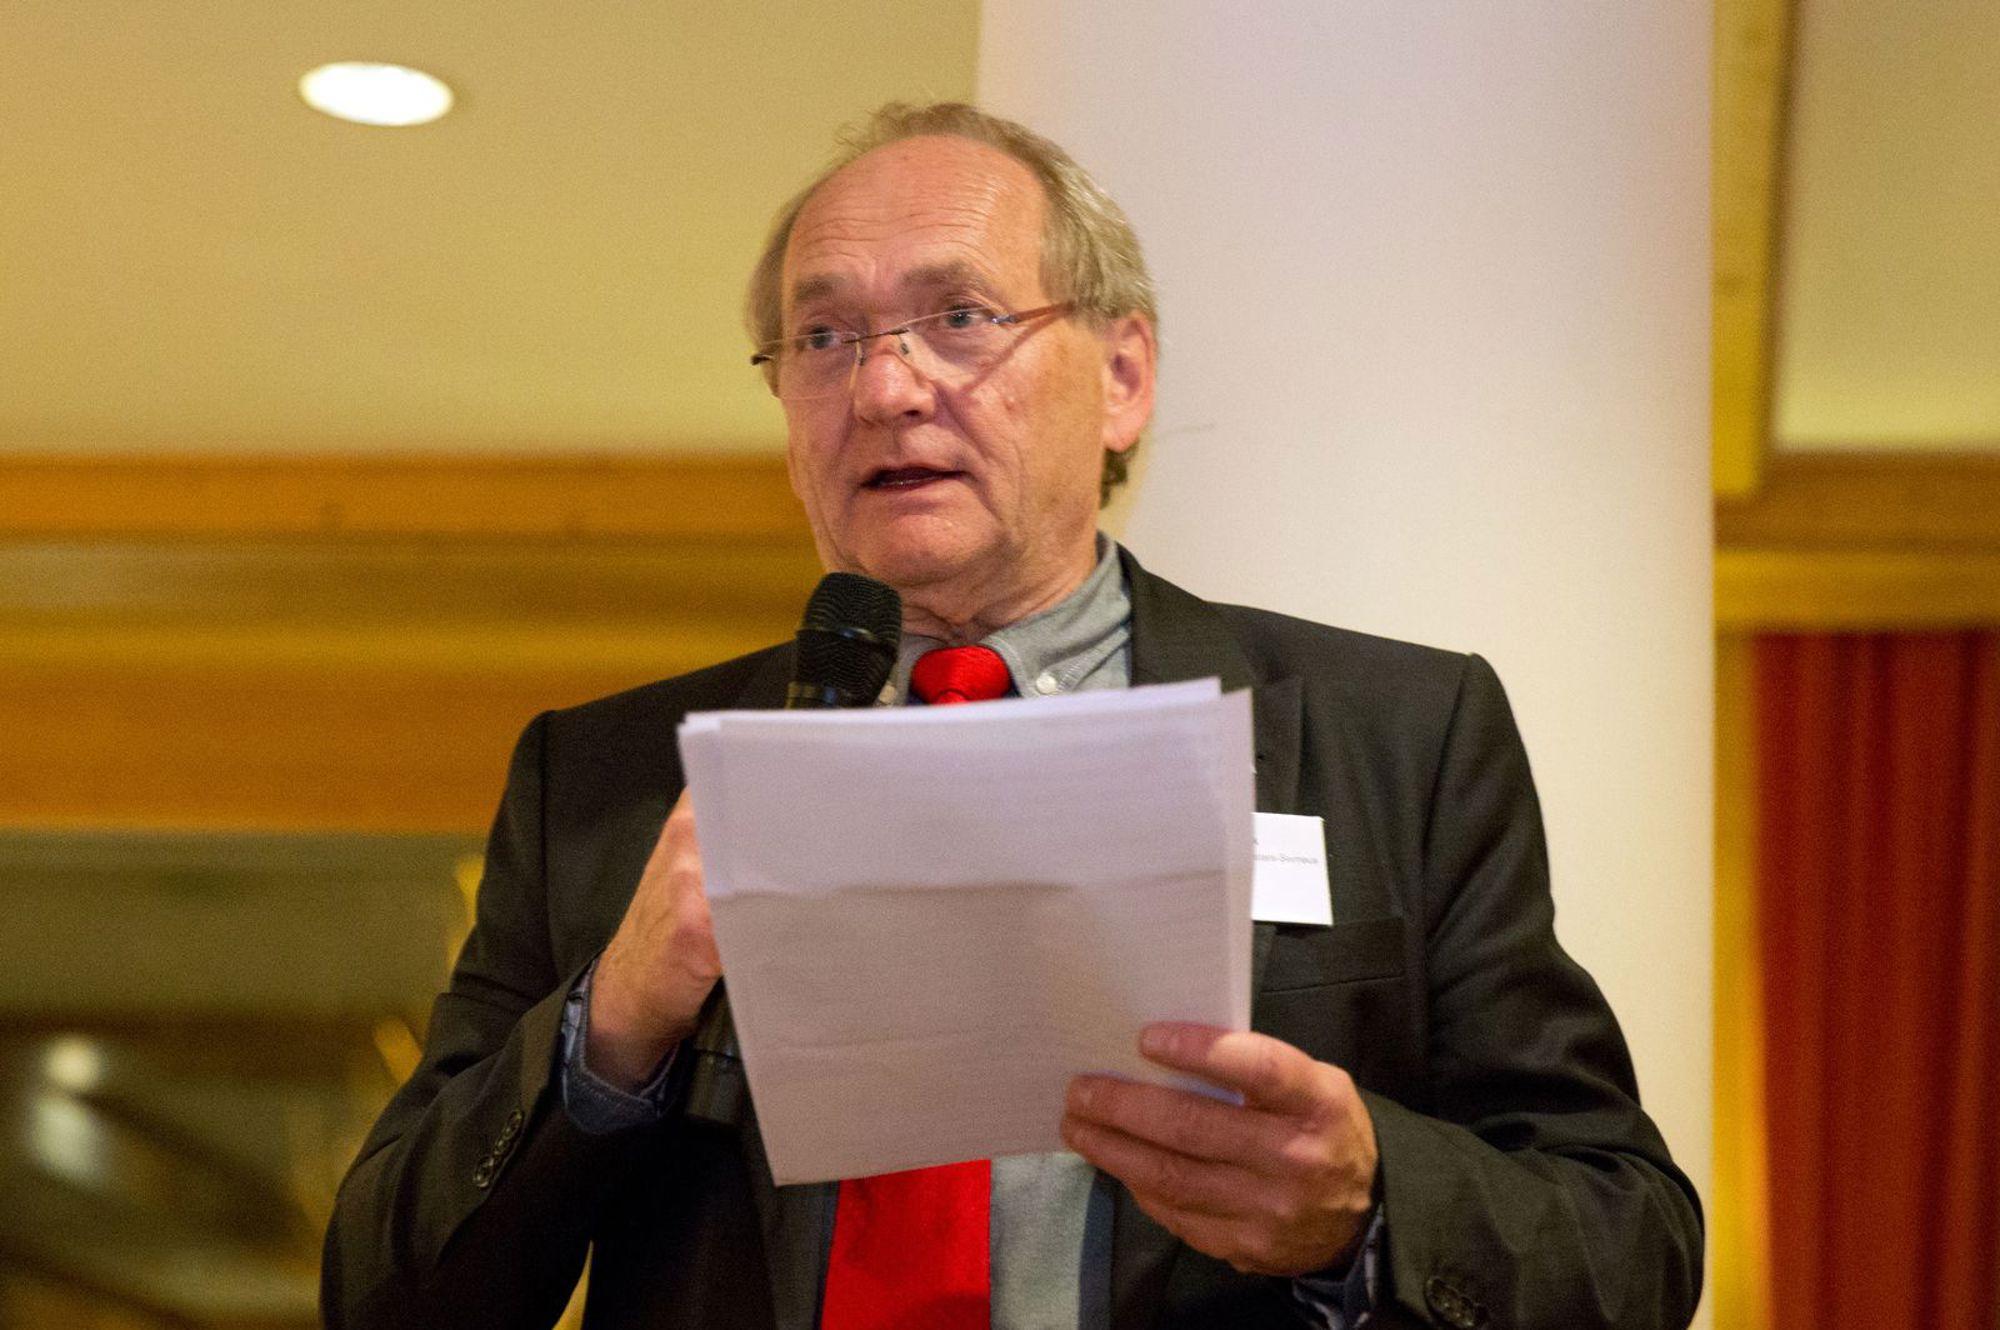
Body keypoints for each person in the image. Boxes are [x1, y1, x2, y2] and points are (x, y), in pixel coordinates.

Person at [322, 102, 1702, 1329]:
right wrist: (616, 1014)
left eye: (961, 318)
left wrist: (1366, 1205)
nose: (884, 387)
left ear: (1123, 378)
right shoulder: (605, 784)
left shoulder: (1399, 740)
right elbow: (384, 1294)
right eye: (823, 337)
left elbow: (1627, 1243)